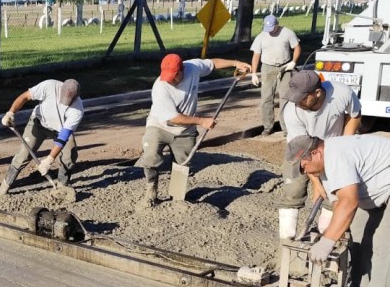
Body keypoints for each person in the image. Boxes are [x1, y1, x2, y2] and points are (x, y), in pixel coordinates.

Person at [285, 134, 390, 287]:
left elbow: (349, 202)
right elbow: (338, 204)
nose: (304, 172)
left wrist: (327, 242)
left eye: (303, 165)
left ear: (315, 153)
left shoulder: (337, 156)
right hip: (377, 193)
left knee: (384, 248)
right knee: (359, 234)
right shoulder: (325, 167)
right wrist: (331, 233)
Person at [135, 53, 252, 206]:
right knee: (150, 155)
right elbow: (173, 117)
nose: (169, 80)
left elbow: (213, 63)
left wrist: (235, 62)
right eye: (167, 76)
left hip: (185, 131)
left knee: (183, 163)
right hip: (159, 125)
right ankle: (151, 192)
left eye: (173, 76)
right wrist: (202, 121)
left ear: (181, 70)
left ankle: (176, 198)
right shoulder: (160, 87)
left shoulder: (193, 67)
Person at [276, 70, 361, 240]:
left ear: (317, 93)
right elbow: (302, 155)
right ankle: (287, 238)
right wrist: (317, 183)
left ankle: (326, 233)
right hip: (301, 150)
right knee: (294, 189)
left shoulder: (342, 93)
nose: (296, 101)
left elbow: (355, 115)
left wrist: (345, 144)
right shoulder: (292, 112)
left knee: (334, 193)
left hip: (331, 149)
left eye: (302, 97)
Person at [0, 79, 83, 195]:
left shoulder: (77, 110)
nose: (65, 102)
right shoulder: (49, 86)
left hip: (60, 130)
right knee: (23, 155)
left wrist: (49, 160)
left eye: (70, 101)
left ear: (76, 97)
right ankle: (3, 189)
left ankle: (61, 188)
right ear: (61, 89)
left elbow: (63, 137)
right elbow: (25, 97)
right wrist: (10, 113)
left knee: (70, 156)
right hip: (38, 123)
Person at [249, 14, 301, 135]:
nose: (270, 31)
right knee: (266, 98)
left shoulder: (288, 33)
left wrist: (293, 62)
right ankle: (267, 126)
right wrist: (254, 73)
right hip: (267, 67)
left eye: (272, 28)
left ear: (277, 24)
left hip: (285, 67)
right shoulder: (261, 36)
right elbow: (256, 55)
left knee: (285, 97)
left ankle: (286, 127)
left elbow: (297, 48)